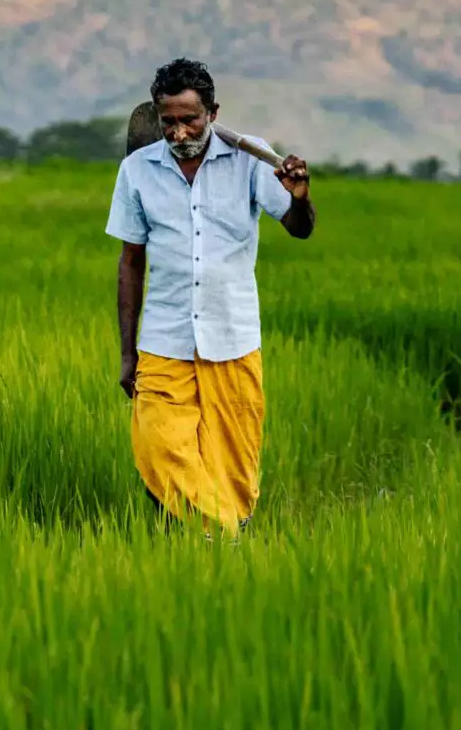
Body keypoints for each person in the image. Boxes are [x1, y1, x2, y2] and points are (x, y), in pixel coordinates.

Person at [106, 57, 314, 531]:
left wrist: (300, 197)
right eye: (169, 122)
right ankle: (222, 537)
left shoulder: (253, 159)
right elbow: (130, 263)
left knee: (232, 464)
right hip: (164, 337)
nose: (179, 133)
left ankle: (211, 544)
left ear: (213, 113)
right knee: (158, 447)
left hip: (233, 336)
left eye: (190, 120)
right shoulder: (138, 170)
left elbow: (299, 229)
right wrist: (126, 354)